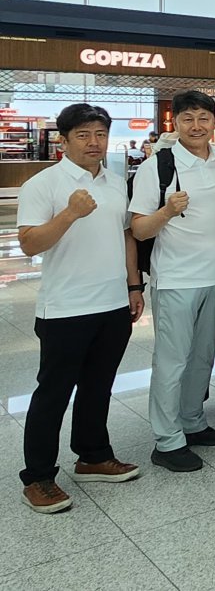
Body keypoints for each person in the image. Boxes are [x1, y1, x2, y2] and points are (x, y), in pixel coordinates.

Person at [17, 104, 143, 513]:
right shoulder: (43, 184)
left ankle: (92, 455)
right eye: (84, 135)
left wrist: (134, 285)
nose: (94, 143)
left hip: (113, 304)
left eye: (100, 134)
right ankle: (38, 477)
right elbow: (29, 243)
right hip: (66, 308)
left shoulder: (116, 182)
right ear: (65, 140)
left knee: (99, 385)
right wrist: (70, 213)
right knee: (53, 393)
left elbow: (126, 236)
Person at [130, 91, 215, 472]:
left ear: (214, 122)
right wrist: (167, 212)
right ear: (175, 122)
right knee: (171, 361)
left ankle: (192, 420)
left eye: (204, 118)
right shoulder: (157, 166)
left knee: (203, 356)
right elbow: (139, 229)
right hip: (176, 279)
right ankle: (167, 439)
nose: (196, 126)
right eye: (188, 118)